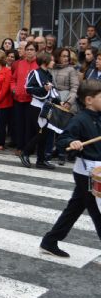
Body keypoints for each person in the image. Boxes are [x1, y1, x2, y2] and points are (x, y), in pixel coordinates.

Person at [40, 79, 101, 257]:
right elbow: (63, 140)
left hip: (96, 171)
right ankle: (50, 241)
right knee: (98, 211)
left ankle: (50, 241)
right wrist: (72, 142)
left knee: (75, 207)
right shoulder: (80, 120)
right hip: (87, 173)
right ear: (89, 100)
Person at [19, 51, 59, 169]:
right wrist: (43, 88)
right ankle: (25, 153)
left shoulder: (48, 74)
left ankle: (40, 160)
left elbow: (52, 90)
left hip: (46, 107)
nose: (53, 62)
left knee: (44, 134)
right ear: (45, 61)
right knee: (41, 133)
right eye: (51, 60)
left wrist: (59, 101)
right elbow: (28, 89)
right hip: (36, 107)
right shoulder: (35, 73)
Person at [11, 41, 38, 155]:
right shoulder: (20, 63)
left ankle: (29, 148)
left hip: (31, 100)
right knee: (19, 124)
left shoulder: (38, 65)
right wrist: (14, 89)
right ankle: (19, 146)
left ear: (36, 51)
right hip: (18, 99)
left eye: (31, 49)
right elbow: (13, 79)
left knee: (30, 125)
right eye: (27, 49)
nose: (29, 52)